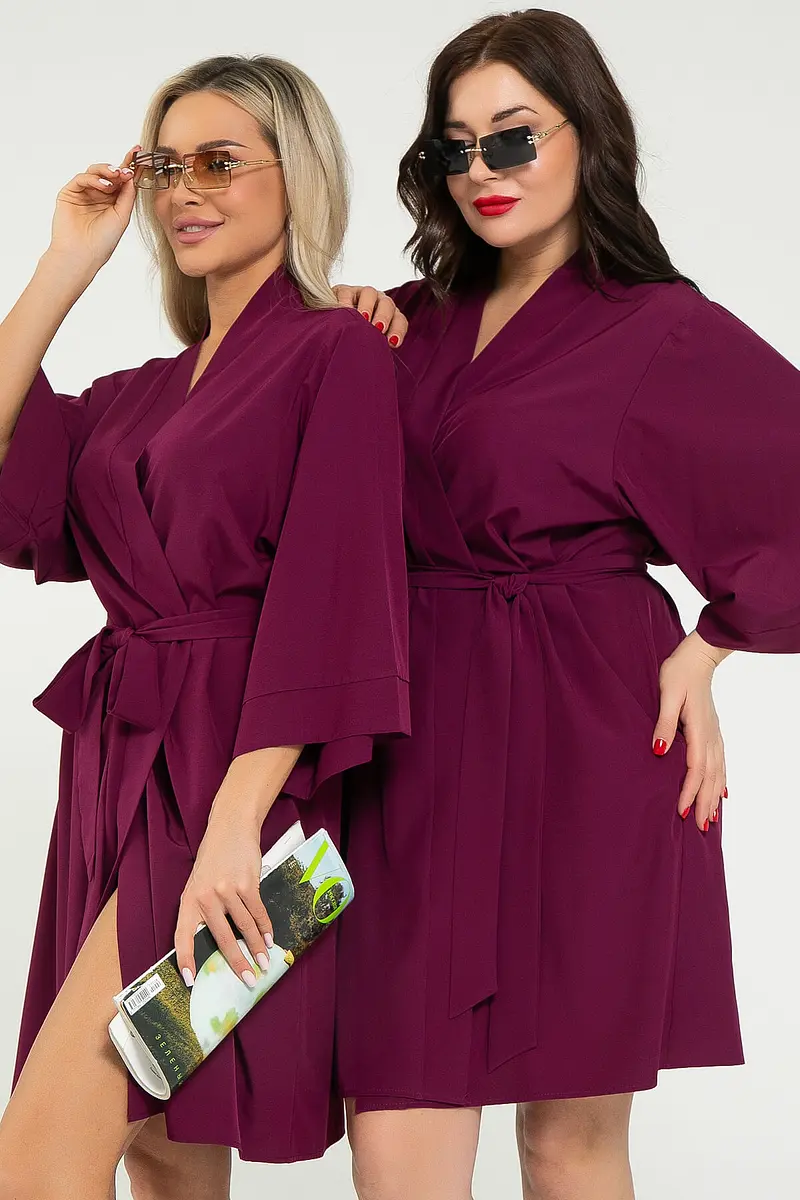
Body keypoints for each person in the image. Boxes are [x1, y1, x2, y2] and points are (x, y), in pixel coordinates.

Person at [333, 10, 800, 1199]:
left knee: (568, 1139)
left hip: (588, 738)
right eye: (453, 148)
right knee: (397, 1118)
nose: (479, 171)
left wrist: (710, 645)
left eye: (512, 137)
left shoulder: (660, 328)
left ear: (586, 134)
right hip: (408, 741)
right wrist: (330, 344)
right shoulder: (404, 322)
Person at [0, 53, 409, 1198]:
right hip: (116, 773)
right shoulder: (133, 396)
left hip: (234, 790)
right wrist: (62, 265)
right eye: (166, 165)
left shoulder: (335, 351)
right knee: (166, 1152)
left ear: (297, 174)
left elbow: (333, 596)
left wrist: (239, 826)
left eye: (220, 162)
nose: (186, 189)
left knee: (40, 1155)